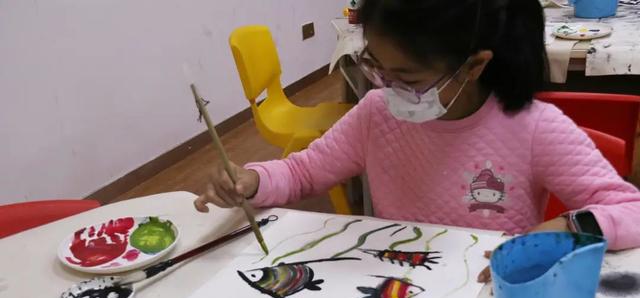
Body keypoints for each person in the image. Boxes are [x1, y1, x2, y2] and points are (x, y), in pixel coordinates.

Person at [195, 0, 640, 281]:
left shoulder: (532, 128)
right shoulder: (377, 113)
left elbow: (631, 210)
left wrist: (566, 228)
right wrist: (253, 180)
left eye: (407, 78)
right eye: (376, 67)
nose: (387, 88)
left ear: (474, 66)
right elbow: (303, 171)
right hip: (395, 288)